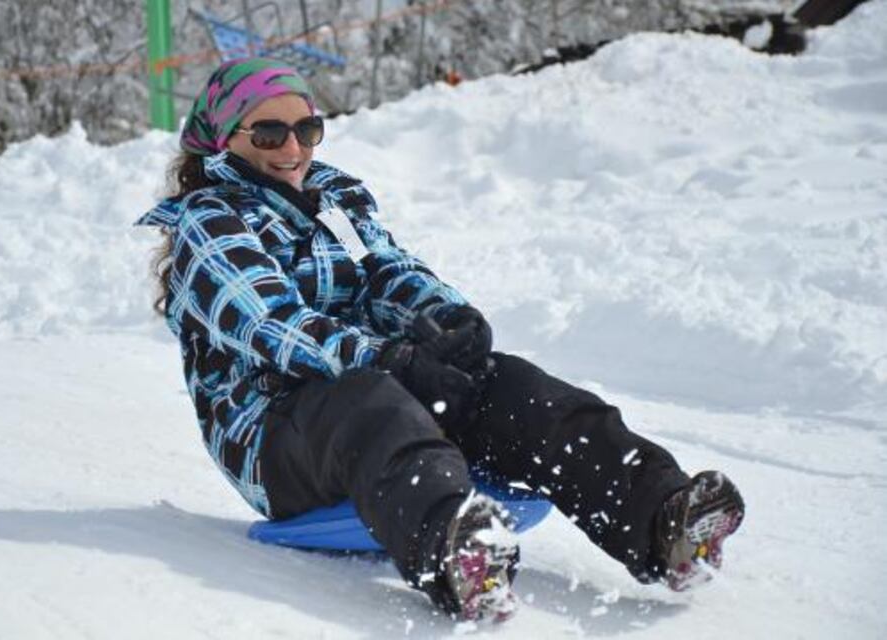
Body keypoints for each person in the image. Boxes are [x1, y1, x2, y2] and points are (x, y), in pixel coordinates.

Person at [137, 57, 744, 622]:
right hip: (276, 433)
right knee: (368, 400)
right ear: (225, 140)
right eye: (269, 133)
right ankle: (456, 551)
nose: (292, 148)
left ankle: (663, 519)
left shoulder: (333, 200)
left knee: (508, 384)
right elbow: (272, 325)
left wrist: (448, 318)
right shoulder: (209, 221)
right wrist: (386, 358)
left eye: (307, 130)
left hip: (377, 389)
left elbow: (386, 271)